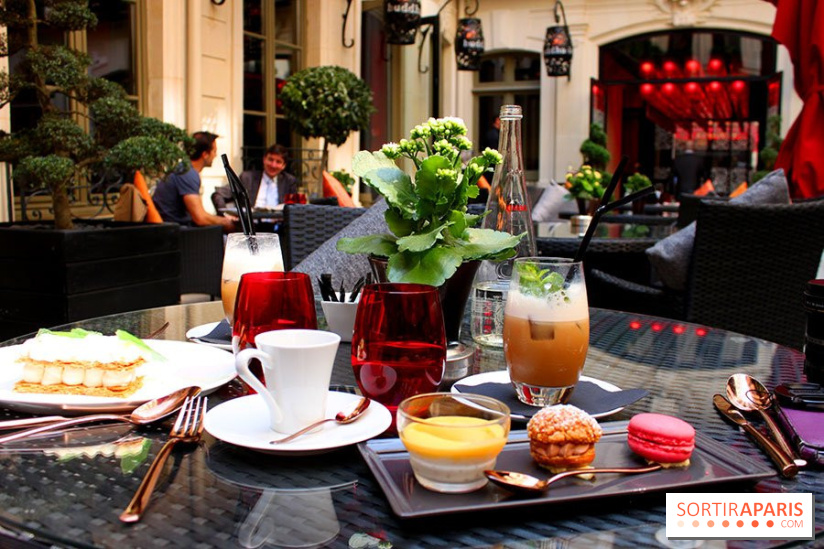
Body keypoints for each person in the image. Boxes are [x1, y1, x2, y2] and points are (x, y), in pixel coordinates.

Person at [153, 131, 236, 232]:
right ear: (205, 154)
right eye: (214, 151)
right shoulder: (187, 173)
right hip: (177, 233)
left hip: (176, 228)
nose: (215, 155)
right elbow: (200, 218)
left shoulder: (183, 169)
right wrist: (226, 222)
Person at [211, 144, 299, 211]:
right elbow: (218, 194)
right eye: (270, 160)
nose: (273, 165)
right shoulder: (247, 178)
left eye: (278, 162)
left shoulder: (289, 181)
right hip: (251, 228)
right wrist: (225, 215)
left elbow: (294, 206)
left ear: (284, 166)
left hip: (279, 228)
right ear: (264, 159)